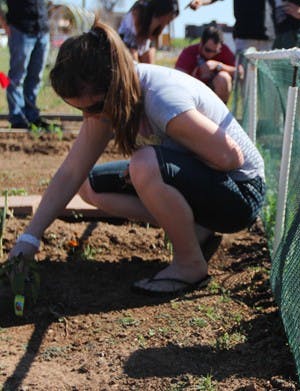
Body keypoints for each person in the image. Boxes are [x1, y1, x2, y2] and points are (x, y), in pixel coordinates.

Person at [8, 21, 266, 296]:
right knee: (89, 185)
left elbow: (231, 157)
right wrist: (29, 238)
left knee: (144, 165)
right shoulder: (109, 100)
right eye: (78, 109)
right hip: (211, 184)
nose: (89, 117)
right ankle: (194, 229)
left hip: (240, 193)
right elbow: (72, 171)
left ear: (112, 85)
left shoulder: (161, 98)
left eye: (93, 107)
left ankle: (190, 265)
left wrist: (166, 168)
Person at [0, 0, 51, 130]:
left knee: (36, 77)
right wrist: (3, 21)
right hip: (20, 29)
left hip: (42, 28)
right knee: (17, 77)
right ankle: (18, 119)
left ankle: (32, 116)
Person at [175, 25, 236, 103]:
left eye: (215, 51)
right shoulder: (189, 51)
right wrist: (197, 72)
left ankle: (221, 111)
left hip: (216, 92)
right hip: (194, 90)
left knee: (223, 77)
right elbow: (178, 75)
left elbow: (239, 71)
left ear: (220, 47)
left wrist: (218, 65)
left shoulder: (224, 50)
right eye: (208, 50)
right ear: (201, 43)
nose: (210, 54)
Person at [189, 0, 275, 54]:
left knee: (266, 77)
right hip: (244, 35)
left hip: (268, 35)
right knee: (243, 75)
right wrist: (200, 1)